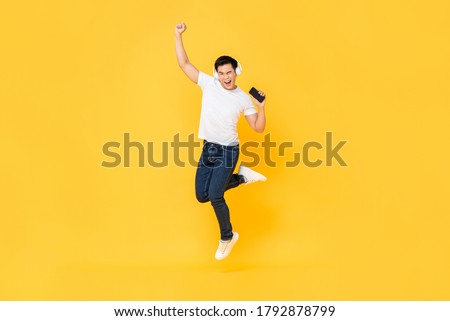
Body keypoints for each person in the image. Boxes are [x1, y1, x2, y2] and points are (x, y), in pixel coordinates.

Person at [174, 22, 267, 260]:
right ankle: (242, 177)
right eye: (222, 73)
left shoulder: (244, 98)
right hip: (209, 148)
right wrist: (178, 35)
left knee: (216, 195)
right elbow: (184, 64)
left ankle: (227, 236)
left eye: (230, 72)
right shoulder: (209, 84)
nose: (226, 77)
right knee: (202, 195)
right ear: (217, 74)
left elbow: (257, 128)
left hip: (228, 152)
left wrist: (261, 107)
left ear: (237, 72)